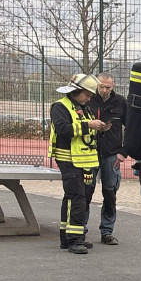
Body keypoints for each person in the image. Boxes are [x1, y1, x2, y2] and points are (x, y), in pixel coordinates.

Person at [49, 73, 107, 254]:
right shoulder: (60, 107)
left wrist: (100, 128)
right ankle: (74, 240)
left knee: (79, 198)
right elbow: (64, 129)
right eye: (87, 94)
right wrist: (88, 125)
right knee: (77, 198)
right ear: (76, 91)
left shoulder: (84, 107)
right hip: (69, 159)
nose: (89, 98)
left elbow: (86, 133)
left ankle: (70, 237)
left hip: (87, 160)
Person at [86, 72, 127, 246]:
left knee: (110, 193)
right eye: (101, 86)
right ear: (97, 85)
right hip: (89, 152)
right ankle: (80, 229)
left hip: (112, 154)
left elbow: (132, 127)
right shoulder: (88, 100)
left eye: (108, 87)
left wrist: (124, 152)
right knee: (85, 192)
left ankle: (107, 231)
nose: (104, 90)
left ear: (113, 86)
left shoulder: (120, 103)